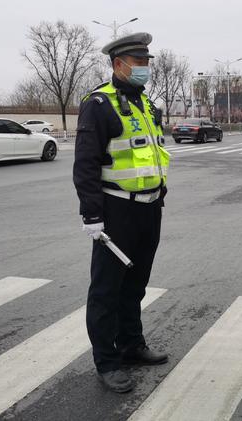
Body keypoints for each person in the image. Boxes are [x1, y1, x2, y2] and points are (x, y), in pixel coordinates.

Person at [73, 32, 170, 393]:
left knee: (136, 284)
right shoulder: (98, 104)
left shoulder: (148, 106)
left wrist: (159, 194)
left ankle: (131, 344)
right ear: (119, 64)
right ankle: (107, 361)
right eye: (139, 63)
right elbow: (85, 164)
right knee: (106, 290)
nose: (145, 68)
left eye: (147, 62)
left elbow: (154, 155)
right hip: (115, 211)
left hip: (149, 209)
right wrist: (92, 216)